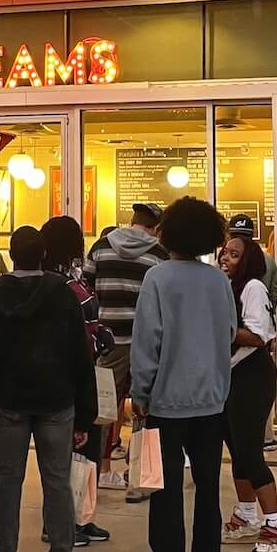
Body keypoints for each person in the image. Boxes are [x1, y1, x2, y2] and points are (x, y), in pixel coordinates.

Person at [0, 225, 97, 552]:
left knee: (7, 482)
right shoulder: (61, 294)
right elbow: (80, 354)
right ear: (43, 255)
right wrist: (86, 414)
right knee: (57, 483)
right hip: (57, 399)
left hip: (10, 399)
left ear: (11, 255)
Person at [130, 198, 236, 552]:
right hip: (210, 399)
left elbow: (147, 341)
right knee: (208, 482)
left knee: (165, 482)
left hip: (166, 399)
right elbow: (228, 332)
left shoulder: (157, 278)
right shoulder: (218, 280)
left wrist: (140, 394)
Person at [83, 202, 168, 492]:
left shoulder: (101, 246)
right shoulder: (158, 254)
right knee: (145, 406)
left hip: (108, 342)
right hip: (145, 342)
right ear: (155, 227)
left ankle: (102, 470)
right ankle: (140, 476)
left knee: (106, 408)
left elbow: (87, 288)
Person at [40, 214, 114, 546]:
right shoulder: (71, 286)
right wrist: (101, 338)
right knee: (83, 447)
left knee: (60, 454)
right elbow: (84, 331)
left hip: (51, 376)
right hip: (78, 375)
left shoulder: (43, 280)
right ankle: (72, 520)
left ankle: (71, 518)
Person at [219, 235, 277, 552]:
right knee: (236, 447)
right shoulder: (228, 287)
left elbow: (259, 336)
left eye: (234, 254)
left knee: (250, 450)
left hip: (253, 376)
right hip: (232, 377)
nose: (226, 257)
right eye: (225, 251)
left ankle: (275, 526)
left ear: (248, 262)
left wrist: (217, 329)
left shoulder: (253, 288)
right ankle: (247, 514)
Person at [227, 214, 277, 302]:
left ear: (229, 237)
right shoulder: (268, 261)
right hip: (260, 312)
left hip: (231, 314)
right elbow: (273, 298)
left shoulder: (223, 260)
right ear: (253, 235)